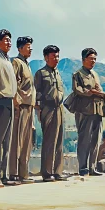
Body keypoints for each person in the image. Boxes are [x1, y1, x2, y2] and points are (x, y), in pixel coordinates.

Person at [65, 48, 105, 176]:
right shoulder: (77, 74)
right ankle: (83, 168)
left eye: (95, 59)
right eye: (91, 58)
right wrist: (91, 92)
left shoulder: (95, 74)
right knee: (84, 140)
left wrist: (100, 93)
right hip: (84, 110)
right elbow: (77, 90)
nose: (93, 61)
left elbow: (99, 89)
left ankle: (92, 168)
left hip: (97, 110)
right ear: (84, 59)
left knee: (95, 140)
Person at [0, 29, 18, 187]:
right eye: (5, 40)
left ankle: (4, 175)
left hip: (10, 102)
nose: (9, 43)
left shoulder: (8, 60)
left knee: (7, 141)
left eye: (9, 40)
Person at [34, 45, 67, 182]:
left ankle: (58, 171)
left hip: (59, 109)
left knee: (59, 141)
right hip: (48, 108)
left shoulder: (57, 73)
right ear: (46, 58)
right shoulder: (41, 73)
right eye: (53, 56)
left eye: (57, 56)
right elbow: (36, 92)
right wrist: (40, 108)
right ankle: (47, 173)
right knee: (49, 142)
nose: (56, 59)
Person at [9, 36, 36, 184]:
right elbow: (15, 85)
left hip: (29, 106)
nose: (30, 48)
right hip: (20, 106)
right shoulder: (16, 62)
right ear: (20, 48)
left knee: (26, 142)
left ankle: (23, 173)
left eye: (31, 46)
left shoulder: (27, 64)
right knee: (17, 141)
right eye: (27, 46)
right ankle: (13, 173)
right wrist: (17, 103)